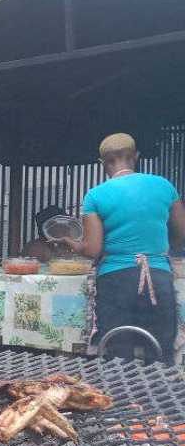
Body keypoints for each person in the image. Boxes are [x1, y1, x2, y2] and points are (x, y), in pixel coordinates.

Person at [63, 133, 185, 362]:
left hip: (115, 282)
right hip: (158, 277)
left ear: (103, 163)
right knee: (160, 353)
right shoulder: (164, 186)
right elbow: (181, 234)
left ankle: (120, 383)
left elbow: (93, 249)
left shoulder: (95, 196)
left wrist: (73, 244)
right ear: (136, 156)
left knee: (118, 355)